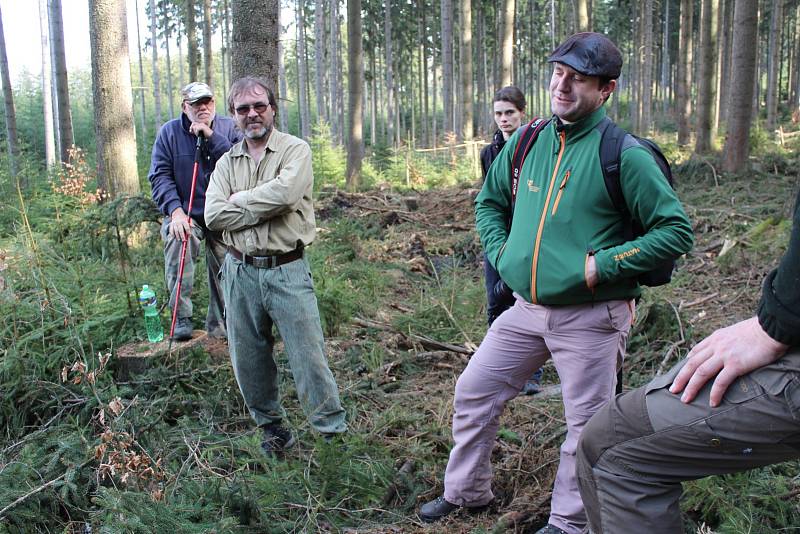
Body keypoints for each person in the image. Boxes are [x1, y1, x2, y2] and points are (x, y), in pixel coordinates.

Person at [418, 32, 694, 534]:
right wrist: (503, 255)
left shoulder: (624, 154)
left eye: (579, 78)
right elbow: (489, 202)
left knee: (585, 427)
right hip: (525, 309)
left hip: (592, 316)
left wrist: (602, 266)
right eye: (558, 73)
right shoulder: (529, 139)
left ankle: (569, 522)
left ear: (606, 90)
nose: (562, 85)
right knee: (474, 390)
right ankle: (467, 493)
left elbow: (675, 231)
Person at [576, 187, 800, 533]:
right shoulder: (526, 147)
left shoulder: (621, 150)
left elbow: (673, 231)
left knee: (611, 443)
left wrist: (776, 325)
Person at [204, 76, 347, 455]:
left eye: (259, 106)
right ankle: (273, 430)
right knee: (248, 357)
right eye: (243, 109)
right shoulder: (226, 162)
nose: (252, 114)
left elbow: (285, 195)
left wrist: (241, 200)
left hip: (287, 270)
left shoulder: (295, 151)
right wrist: (260, 205)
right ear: (233, 116)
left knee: (308, 356)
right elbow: (213, 215)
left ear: (272, 108)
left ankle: (330, 434)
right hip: (239, 271)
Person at [148, 82, 242, 341]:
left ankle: (222, 326)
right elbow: (159, 176)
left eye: (208, 102)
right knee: (179, 236)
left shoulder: (229, 128)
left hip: (223, 213)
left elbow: (240, 162)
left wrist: (210, 137)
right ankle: (181, 317)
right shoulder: (169, 133)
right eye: (196, 104)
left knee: (229, 263)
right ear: (184, 107)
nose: (203, 108)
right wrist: (175, 212)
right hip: (187, 213)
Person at [480, 86, 544, 396]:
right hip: (497, 236)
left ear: (522, 112)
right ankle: (499, 369)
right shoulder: (489, 152)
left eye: (509, 113)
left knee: (526, 299)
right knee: (495, 299)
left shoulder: (537, 147)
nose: (504, 119)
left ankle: (532, 375)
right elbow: (489, 199)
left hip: (528, 237)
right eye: (498, 114)